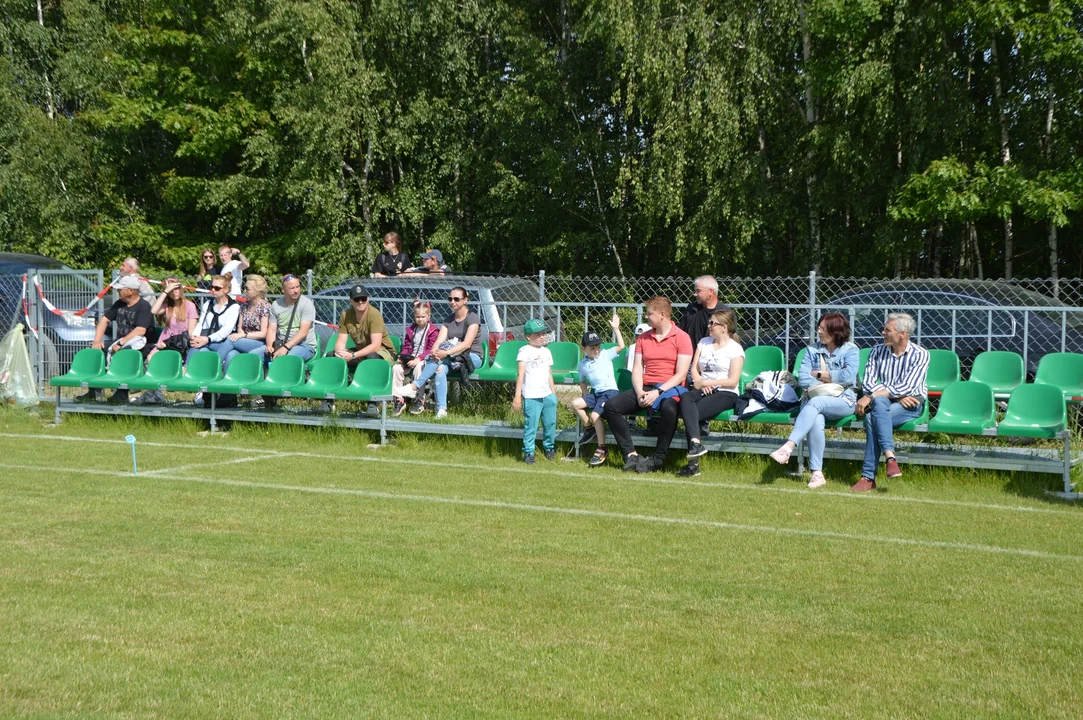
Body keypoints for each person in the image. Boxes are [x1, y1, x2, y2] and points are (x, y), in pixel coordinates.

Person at [602, 296, 693, 473]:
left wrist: (658, 392)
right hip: (646, 387)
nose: (646, 317)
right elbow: (637, 368)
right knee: (612, 406)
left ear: (662, 314)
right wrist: (639, 392)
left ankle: (658, 457)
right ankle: (630, 454)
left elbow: (681, 374)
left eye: (649, 314)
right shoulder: (643, 338)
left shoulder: (682, 337)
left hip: (669, 388)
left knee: (670, 409)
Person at [769, 313, 859, 488]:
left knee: (815, 405)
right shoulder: (812, 350)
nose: (818, 331)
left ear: (836, 332)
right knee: (816, 418)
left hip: (843, 400)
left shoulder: (851, 350)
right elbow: (803, 378)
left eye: (822, 329)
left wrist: (818, 374)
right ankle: (817, 474)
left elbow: (848, 377)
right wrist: (830, 380)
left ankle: (788, 446)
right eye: (819, 327)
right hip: (814, 400)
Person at [851, 312, 930, 492]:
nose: (882, 333)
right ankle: (890, 458)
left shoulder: (921, 354)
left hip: (909, 405)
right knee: (878, 406)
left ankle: (867, 478)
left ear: (903, 333)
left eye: (887, 330)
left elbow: (909, 385)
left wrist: (875, 395)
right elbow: (869, 382)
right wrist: (894, 393)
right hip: (888, 402)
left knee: (872, 418)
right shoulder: (877, 351)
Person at [676, 309, 745, 477]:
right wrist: (700, 382)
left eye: (713, 323)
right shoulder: (704, 342)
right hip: (701, 388)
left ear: (724, 327)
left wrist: (708, 382)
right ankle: (696, 445)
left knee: (692, 413)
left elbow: (732, 381)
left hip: (725, 392)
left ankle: (693, 464)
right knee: (685, 398)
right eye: (710, 322)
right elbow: (694, 369)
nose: (709, 326)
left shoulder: (735, 349)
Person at [405, 286, 482, 418]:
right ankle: (441, 410)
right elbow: (439, 341)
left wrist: (446, 353)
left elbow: (466, 344)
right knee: (439, 369)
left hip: (471, 356)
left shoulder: (473, 318)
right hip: (451, 358)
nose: (452, 302)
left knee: (440, 360)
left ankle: (415, 385)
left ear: (465, 300)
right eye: (450, 299)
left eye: (456, 299)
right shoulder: (448, 320)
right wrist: (434, 352)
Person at [76, 275, 154, 404]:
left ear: (130, 290)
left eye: (120, 289)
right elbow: (104, 321)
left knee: (125, 354)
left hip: (141, 345)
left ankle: (121, 393)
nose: (117, 292)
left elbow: (140, 330)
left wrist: (121, 343)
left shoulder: (144, 306)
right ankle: (95, 391)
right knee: (97, 351)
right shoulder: (119, 304)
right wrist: (97, 340)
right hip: (120, 342)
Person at [328, 284, 396, 414]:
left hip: (383, 352)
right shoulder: (345, 315)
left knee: (371, 358)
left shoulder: (374, 314)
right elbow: (340, 341)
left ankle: (373, 403)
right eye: (357, 299)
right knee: (331, 356)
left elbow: (376, 345)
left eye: (363, 299)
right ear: (351, 301)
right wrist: (340, 353)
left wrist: (353, 356)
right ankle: (328, 400)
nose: (360, 302)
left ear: (368, 299)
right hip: (362, 351)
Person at [132, 277, 197, 404]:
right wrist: (165, 292)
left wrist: (168, 344)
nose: (174, 292)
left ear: (181, 288)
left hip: (179, 344)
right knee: (151, 357)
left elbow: (190, 333)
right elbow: (154, 311)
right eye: (171, 290)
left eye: (176, 288)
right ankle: (154, 392)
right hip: (164, 342)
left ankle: (154, 392)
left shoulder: (190, 306)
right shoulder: (167, 307)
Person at [572, 314, 625, 468]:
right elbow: (582, 380)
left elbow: (621, 346)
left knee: (595, 415)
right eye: (592, 348)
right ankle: (589, 429)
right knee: (575, 404)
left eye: (598, 347)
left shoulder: (605, 354)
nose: (596, 350)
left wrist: (616, 329)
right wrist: (585, 393)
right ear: (584, 348)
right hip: (596, 394)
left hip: (610, 393)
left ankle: (602, 447)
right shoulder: (582, 364)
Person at [512, 319, 558, 464]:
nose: (542, 336)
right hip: (532, 396)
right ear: (528, 337)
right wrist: (517, 397)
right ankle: (529, 452)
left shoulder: (547, 351)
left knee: (550, 424)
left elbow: (549, 373)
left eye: (543, 333)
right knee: (531, 425)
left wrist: (554, 393)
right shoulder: (524, 351)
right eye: (538, 334)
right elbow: (521, 375)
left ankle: (549, 448)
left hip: (547, 395)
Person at [392, 301, 440, 415]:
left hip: (424, 359)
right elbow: (406, 346)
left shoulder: (433, 331)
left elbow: (431, 349)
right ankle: (398, 399)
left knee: (419, 367)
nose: (420, 319)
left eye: (423, 317)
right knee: (396, 368)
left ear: (429, 316)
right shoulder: (412, 329)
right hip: (411, 358)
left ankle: (419, 399)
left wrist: (419, 359)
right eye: (417, 317)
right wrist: (403, 356)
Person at [188, 274, 240, 372]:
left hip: (222, 343)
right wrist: (195, 336)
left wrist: (207, 339)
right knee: (198, 346)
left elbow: (226, 330)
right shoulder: (208, 304)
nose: (213, 290)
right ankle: (187, 371)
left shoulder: (233, 307)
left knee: (201, 345)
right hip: (206, 340)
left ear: (226, 290)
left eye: (217, 288)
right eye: (212, 287)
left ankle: (187, 370)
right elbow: (201, 323)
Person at [266, 273, 318, 362]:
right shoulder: (276, 305)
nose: (296, 291)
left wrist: (286, 347)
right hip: (281, 344)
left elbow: (303, 332)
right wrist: (270, 346)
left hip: (304, 345)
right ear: (283, 290)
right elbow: (271, 330)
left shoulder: (306, 304)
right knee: (254, 355)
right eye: (292, 288)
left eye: (297, 287)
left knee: (286, 359)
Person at [223, 274, 272, 367]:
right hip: (244, 340)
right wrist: (241, 336)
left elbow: (263, 333)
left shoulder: (265, 306)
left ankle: (213, 365)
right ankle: (226, 380)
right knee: (231, 355)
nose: (244, 291)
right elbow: (240, 327)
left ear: (257, 291)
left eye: (247, 288)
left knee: (230, 340)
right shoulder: (244, 305)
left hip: (260, 342)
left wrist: (243, 335)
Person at [677, 275, 731, 346]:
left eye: (698, 291)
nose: (695, 294)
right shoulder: (691, 309)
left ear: (710, 292)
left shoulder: (724, 313)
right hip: (690, 355)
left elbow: (728, 342)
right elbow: (681, 332)